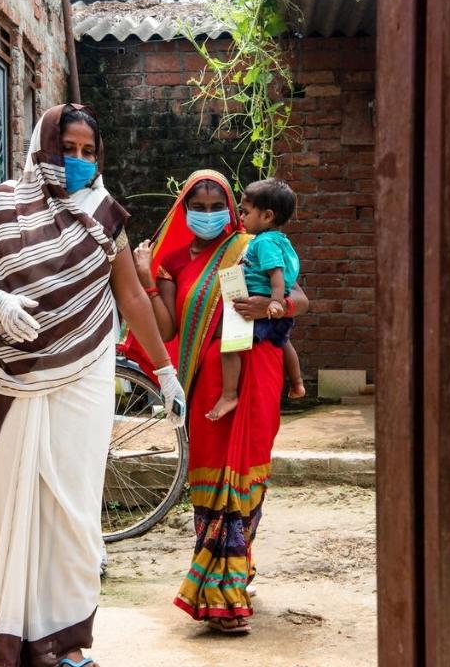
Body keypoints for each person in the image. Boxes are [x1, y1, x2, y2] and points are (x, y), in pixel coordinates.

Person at [0, 103, 185, 667]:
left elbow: (128, 295)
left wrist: (164, 370)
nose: (76, 161)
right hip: (14, 379)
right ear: (43, 147)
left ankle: (66, 643)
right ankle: (17, 639)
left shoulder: (104, 213)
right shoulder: (0, 206)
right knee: (14, 511)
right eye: (66, 149)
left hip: (85, 379)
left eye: (88, 152)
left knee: (74, 511)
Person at [128, 169, 309, 634]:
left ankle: (232, 576)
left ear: (233, 210)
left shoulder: (249, 248)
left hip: (258, 374)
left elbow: (300, 298)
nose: (208, 214)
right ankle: (220, 595)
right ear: (184, 209)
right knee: (213, 488)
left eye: (217, 206)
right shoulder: (172, 262)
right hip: (208, 385)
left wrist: (273, 306)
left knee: (248, 480)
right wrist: (148, 279)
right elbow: (166, 330)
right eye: (199, 206)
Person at [207, 178, 304, 422]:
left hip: (264, 306)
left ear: (268, 216)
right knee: (284, 341)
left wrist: (274, 302)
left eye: (245, 212)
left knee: (228, 346)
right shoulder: (280, 241)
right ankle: (297, 383)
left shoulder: (263, 242)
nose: (240, 216)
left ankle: (229, 394)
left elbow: (277, 276)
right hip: (272, 308)